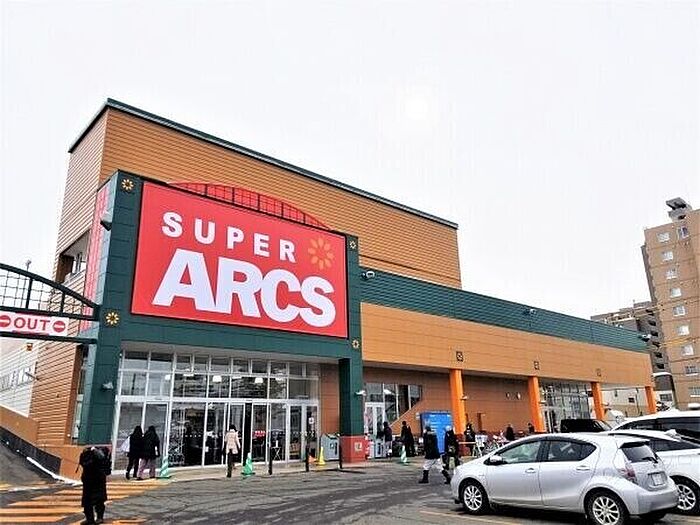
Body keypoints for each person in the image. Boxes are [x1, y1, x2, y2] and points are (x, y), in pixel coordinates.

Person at [79, 446, 108, 524]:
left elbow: (101, 458)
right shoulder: (90, 454)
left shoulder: (95, 454)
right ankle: (92, 518)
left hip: (94, 480)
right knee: (91, 500)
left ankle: (96, 518)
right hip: (92, 480)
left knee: (95, 500)